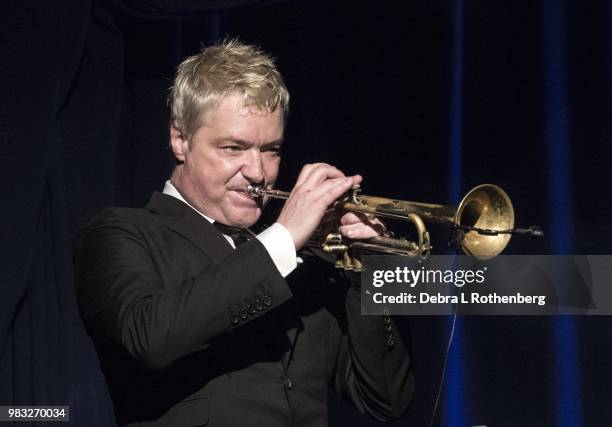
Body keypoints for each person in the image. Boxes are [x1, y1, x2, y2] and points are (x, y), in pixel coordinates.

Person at [74, 39, 414, 427]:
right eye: (234, 148)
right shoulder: (119, 232)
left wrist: (370, 275)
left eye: (271, 149)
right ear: (180, 140)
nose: (258, 171)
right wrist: (284, 237)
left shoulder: (302, 258)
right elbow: (149, 337)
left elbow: (386, 401)